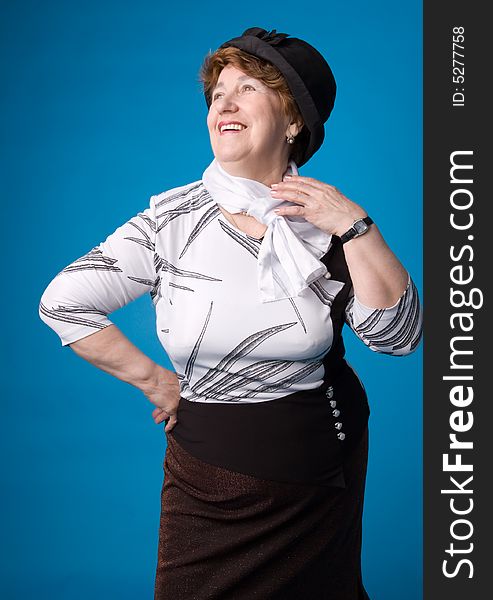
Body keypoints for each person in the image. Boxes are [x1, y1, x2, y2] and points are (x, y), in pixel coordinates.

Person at [39, 27, 422, 600]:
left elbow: (399, 337)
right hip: (206, 473)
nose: (226, 103)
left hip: (320, 466)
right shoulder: (172, 223)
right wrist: (158, 383)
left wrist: (356, 226)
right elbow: (63, 302)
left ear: (294, 122)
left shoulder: (327, 221)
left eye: (247, 88)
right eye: (218, 93)